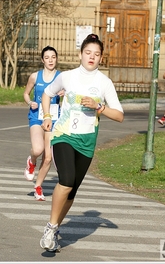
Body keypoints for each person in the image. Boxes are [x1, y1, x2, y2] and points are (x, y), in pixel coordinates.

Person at [39, 34, 124, 251]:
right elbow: (47, 95)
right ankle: (50, 228)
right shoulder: (67, 77)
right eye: (88, 53)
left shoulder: (104, 83)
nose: (92, 57)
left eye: (96, 54)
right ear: (80, 54)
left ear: (101, 58)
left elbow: (120, 115)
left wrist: (99, 107)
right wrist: (47, 117)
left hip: (87, 142)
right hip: (64, 135)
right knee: (66, 181)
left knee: (72, 190)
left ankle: (56, 228)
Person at [23, 46, 63, 201]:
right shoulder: (35, 76)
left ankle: (38, 187)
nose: (50, 60)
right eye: (47, 57)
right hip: (37, 117)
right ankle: (31, 161)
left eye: (53, 57)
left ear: (56, 59)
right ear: (42, 60)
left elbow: (69, 96)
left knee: (48, 158)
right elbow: (26, 93)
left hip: (53, 119)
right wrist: (30, 102)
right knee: (38, 149)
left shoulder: (62, 78)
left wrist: (64, 94)